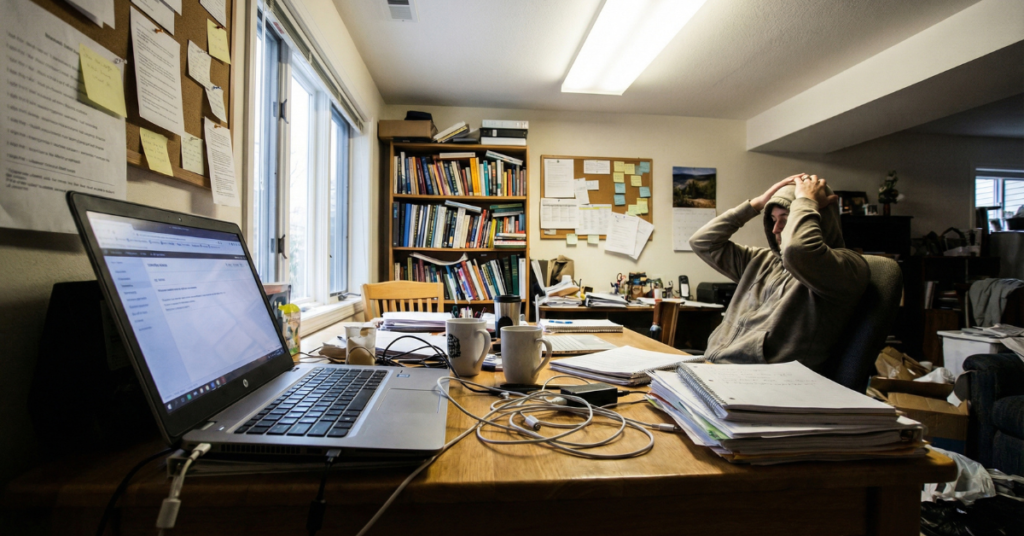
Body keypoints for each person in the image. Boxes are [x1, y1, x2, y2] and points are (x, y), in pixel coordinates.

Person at [688, 174, 870, 370]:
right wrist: (757, 204)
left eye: (786, 219)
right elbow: (702, 242)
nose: (776, 229)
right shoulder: (762, 260)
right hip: (716, 367)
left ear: (817, 217)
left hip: (764, 378)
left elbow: (798, 250)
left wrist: (805, 201)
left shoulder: (846, 267)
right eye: (773, 220)